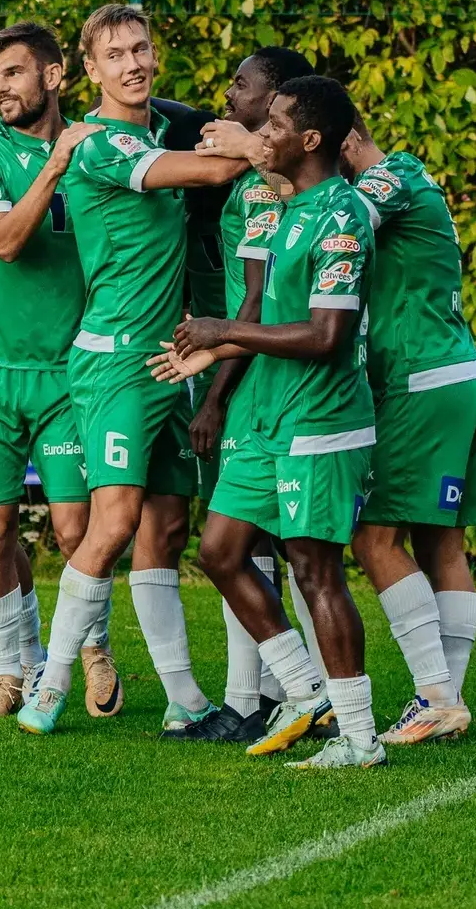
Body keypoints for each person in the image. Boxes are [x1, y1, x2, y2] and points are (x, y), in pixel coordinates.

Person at [15, 3, 249, 736]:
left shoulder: (151, 131)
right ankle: (48, 690)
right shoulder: (96, 147)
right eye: (115, 54)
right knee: (112, 524)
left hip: (166, 360)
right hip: (113, 363)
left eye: (141, 49)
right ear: (90, 70)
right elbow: (214, 167)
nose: (133, 64)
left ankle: (183, 702)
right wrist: (259, 137)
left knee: (166, 528)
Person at [152, 75, 385, 769]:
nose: (263, 136)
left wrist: (223, 328)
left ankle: (360, 737)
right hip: (264, 416)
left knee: (316, 571)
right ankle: (305, 689)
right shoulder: (284, 210)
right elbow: (263, 314)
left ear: (309, 141)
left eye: (276, 125)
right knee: (219, 551)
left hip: (320, 418)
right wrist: (213, 354)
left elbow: (325, 337)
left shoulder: (341, 216)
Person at [0, 22, 122, 718]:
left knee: (76, 529)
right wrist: (55, 164)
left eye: (14, 74)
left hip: (66, 373)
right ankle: (9, 673)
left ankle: (92, 649)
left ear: (54, 76)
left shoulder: (99, 146)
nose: (1, 90)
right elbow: (4, 242)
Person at [165, 46, 317, 743]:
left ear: (278, 98)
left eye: (243, 85)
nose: (228, 95)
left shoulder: (288, 182)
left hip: (273, 379)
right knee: (247, 539)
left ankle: (309, 693)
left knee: (292, 545)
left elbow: (260, 305)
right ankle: (254, 698)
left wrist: (215, 395)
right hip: (251, 368)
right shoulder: (255, 178)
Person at [341, 108, 476, 744]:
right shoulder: (408, 175)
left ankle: (433, 695)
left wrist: (261, 161)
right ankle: (444, 702)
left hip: (420, 381)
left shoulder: (389, 178)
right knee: (439, 544)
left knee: (373, 541)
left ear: (345, 138)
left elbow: (334, 221)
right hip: (454, 373)